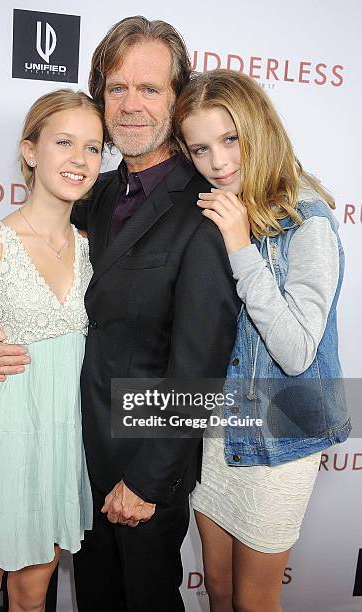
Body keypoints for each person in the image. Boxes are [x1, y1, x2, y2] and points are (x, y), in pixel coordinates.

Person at [0, 17, 241, 612]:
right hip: (64, 454)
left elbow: (200, 365)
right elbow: (38, 284)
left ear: (178, 97)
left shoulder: (206, 210)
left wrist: (148, 481)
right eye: (117, 87)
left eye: (150, 89)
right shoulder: (86, 192)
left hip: (141, 467)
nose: (132, 105)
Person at [174, 68, 351, 612]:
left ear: (259, 129)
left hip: (280, 438)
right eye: (200, 149)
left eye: (230, 140)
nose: (218, 163)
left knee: (254, 603)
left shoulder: (308, 220)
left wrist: (240, 247)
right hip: (220, 433)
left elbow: (296, 352)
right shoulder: (216, 204)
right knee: (219, 590)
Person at [0, 89, 103, 611]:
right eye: (64, 142)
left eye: (94, 148)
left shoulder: (93, 247)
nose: (79, 159)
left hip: (59, 444)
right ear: (30, 151)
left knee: (33, 591)